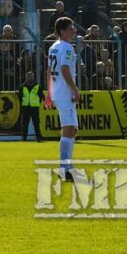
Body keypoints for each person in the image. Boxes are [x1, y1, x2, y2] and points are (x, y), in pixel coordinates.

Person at [46, 15, 82, 183]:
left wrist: (49, 92)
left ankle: (68, 166)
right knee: (69, 129)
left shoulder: (54, 46)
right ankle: (64, 168)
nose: (73, 31)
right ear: (62, 31)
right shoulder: (67, 47)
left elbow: (49, 71)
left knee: (73, 129)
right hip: (64, 92)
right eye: (70, 28)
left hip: (58, 91)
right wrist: (75, 89)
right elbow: (65, 69)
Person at [19, 72, 42, 141]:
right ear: (26, 77)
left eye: (31, 76)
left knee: (36, 123)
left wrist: (37, 103)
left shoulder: (38, 86)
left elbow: (41, 96)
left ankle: (38, 138)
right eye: (29, 76)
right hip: (25, 107)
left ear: (34, 77)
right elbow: (20, 97)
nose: (30, 78)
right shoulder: (22, 86)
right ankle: (24, 138)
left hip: (34, 107)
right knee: (25, 124)